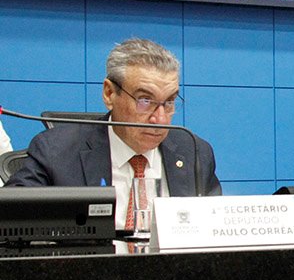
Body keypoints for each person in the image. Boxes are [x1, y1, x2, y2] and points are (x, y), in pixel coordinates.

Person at [5, 38, 221, 225]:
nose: (160, 119)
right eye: (145, 100)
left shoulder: (194, 152)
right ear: (109, 93)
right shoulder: (57, 151)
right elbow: (10, 219)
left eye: (170, 102)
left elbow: (216, 232)